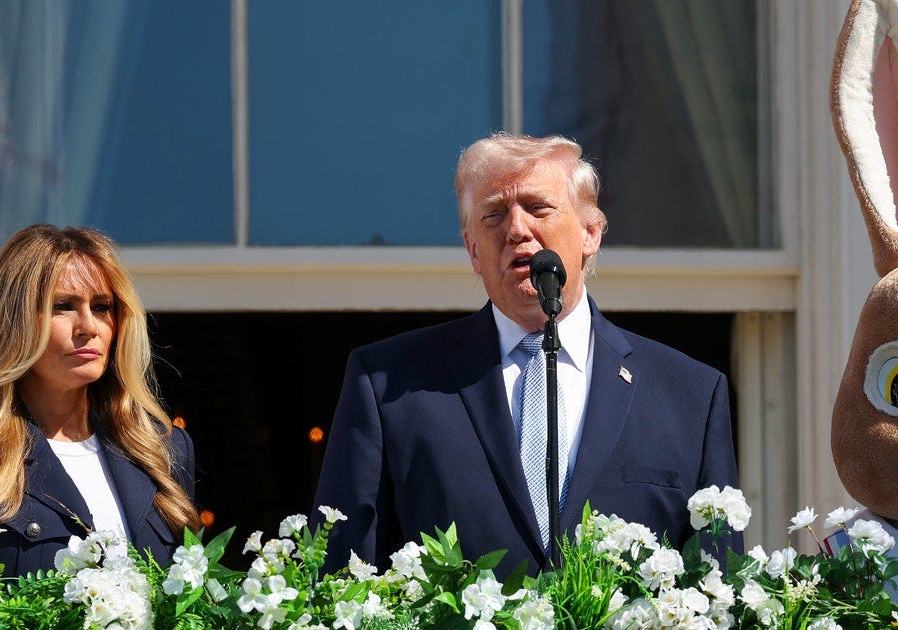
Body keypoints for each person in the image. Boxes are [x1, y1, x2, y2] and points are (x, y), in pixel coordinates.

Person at [312, 133, 741, 576]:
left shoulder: (689, 395)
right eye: (494, 215)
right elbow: (341, 579)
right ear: (473, 250)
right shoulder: (388, 385)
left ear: (590, 232)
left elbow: (717, 590)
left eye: (538, 208)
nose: (516, 229)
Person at [0, 225, 199, 577]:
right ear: (13, 321)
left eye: (102, 307)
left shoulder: (162, 450)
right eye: (63, 306)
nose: (88, 326)